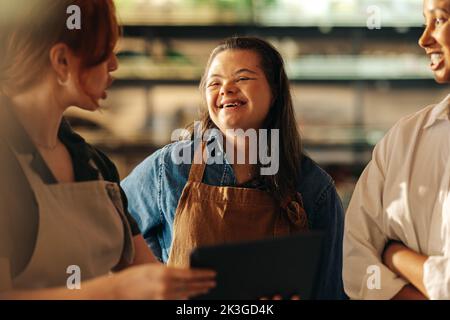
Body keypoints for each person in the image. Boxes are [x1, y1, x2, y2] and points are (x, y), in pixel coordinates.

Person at [0, 0, 215, 299]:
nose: (114, 64)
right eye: (104, 52)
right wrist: (117, 290)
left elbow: (151, 280)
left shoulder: (95, 165)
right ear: (62, 60)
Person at [122, 36, 346, 299]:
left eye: (242, 78)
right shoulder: (170, 168)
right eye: (214, 82)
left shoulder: (313, 187)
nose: (225, 89)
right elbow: (111, 231)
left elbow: (330, 293)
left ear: (274, 91)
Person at [343, 0, 450, 300]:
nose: (424, 38)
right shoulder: (403, 138)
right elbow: (353, 254)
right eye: (424, 21)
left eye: (439, 21)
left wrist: (393, 254)